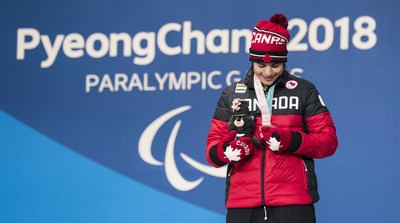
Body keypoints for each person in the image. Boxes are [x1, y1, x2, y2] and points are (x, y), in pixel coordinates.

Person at [205, 13, 338, 223]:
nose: (268, 72)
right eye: (261, 65)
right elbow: (212, 152)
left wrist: (291, 140)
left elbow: (329, 142)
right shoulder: (232, 94)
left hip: (293, 202)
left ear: (284, 62)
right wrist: (228, 151)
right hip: (243, 203)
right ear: (252, 60)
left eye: (275, 66)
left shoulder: (304, 90)